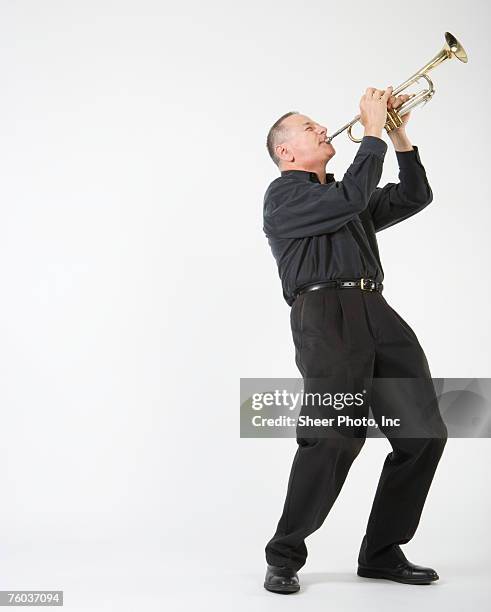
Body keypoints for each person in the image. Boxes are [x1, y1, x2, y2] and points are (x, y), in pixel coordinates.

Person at [262, 86, 448, 594]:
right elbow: (347, 199)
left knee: (424, 436)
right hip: (326, 316)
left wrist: (398, 134)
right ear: (286, 152)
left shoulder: (347, 195)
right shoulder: (285, 196)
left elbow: (414, 196)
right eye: (309, 127)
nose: (323, 128)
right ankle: (283, 554)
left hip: (376, 310)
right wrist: (369, 132)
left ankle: (382, 552)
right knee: (335, 436)